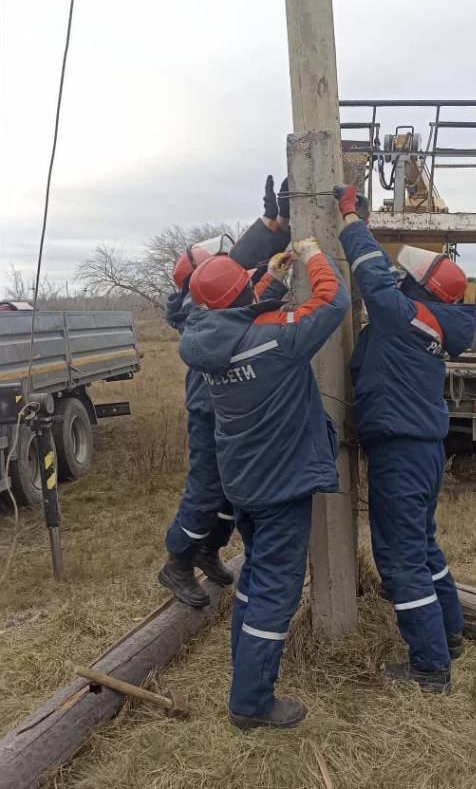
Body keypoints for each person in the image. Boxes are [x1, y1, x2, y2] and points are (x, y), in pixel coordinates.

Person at [179, 236, 350, 729]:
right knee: (276, 590)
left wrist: (271, 277)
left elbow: (234, 313)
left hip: (246, 483)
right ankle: (252, 703)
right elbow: (332, 301)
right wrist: (315, 254)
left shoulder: (203, 343)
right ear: (239, 296)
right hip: (282, 484)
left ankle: (244, 664)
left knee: (256, 578)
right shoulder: (277, 338)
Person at [335, 184, 476, 694]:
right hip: (422, 450)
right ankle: (451, 633)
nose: (400, 278)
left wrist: (352, 219)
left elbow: (372, 275)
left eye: (408, 277)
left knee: (399, 561)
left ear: (421, 289)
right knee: (422, 546)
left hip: (400, 451)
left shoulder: (405, 317)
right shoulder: (431, 323)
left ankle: (430, 667)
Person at [158, 177, 292, 607]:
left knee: (228, 492)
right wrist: (273, 226)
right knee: (206, 488)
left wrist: (276, 224)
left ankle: (206, 550)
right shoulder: (201, 308)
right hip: (209, 412)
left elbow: (246, 278)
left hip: (224, 410)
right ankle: (177, 563)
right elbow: (240, 271)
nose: (228, 268)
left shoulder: (207, 302)